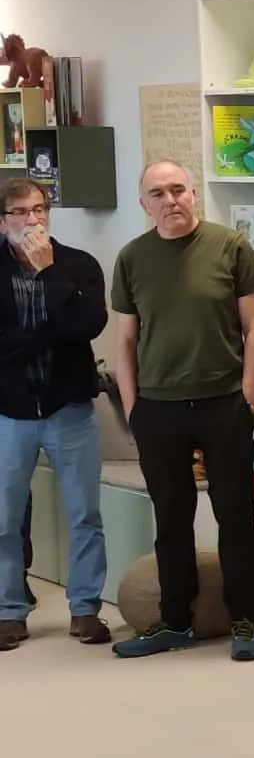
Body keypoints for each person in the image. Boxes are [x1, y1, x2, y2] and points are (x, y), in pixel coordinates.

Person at [108, 160, 254, 662]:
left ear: (193, 193)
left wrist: (248, 395)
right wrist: (133, 407)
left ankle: (244, 620)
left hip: (224, 403)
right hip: (158, 408)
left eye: (178, 189)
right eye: (158, 193)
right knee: (171, 519)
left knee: (234, 515)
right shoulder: (132, 258)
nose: (170, 199)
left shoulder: (230, 246)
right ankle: (174, 621)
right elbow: (126, 341)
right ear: (144, 204)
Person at [0, 177, 110, 650]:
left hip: (69, 407)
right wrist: (45, 335)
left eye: (40, 210)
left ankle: (85, 609)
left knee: (85, 513)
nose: (33, 221)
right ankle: (8, 612)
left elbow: (88, 325)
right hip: (10, 410)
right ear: (2, 221)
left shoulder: (76, 264)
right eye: (21, 213)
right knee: (4, 518)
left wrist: (48, 274)